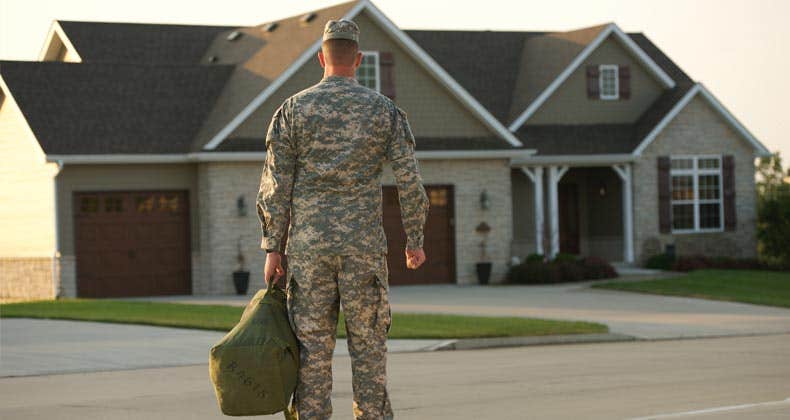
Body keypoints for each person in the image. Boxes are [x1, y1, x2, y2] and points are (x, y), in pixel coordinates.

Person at [256, 18, 430, 420]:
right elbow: (410, 182)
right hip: (363, 250)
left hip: (309, 252)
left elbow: (275, 185)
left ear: (321, 58)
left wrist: (272, 248)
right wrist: (414, 240)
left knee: (311, 353)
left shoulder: (292, 111)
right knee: (369, 350)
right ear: (359, 60)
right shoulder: (385, 112)